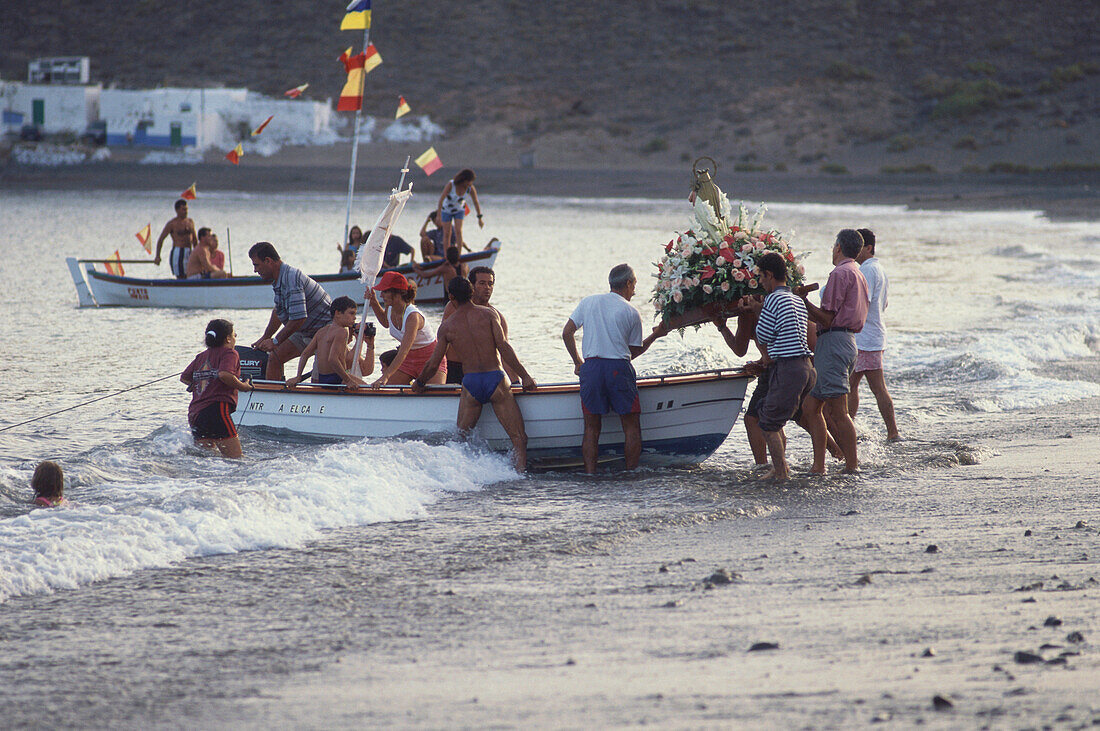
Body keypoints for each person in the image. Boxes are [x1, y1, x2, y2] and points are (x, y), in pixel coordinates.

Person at [412, 277, 538, 471]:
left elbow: (433, 363)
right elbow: (504, 347)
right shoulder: (489, 315)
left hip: (470, 383)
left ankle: (465, 477)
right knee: (519, 439)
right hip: (495, 379)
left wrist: (419, 383)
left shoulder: (446, 327)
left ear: (451, 296)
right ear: (472, 292)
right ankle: (518, 477)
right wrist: (526, 377)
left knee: (460, 440)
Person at [562, 264, 668, 473]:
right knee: (631, 426)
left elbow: (567, 333)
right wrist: (656, 335)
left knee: (591, 428)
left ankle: (591, 474)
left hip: (591, 368)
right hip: (618, 368)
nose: (634, 291)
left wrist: (577, 363)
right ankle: (630, 473)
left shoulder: (589, 302)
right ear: (628, 283)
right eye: (634, 285)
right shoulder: (631, 311)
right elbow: (633, 352)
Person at [800, 229, 869, 474]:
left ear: (838, 247)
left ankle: (852, 465)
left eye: (833, 246)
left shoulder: (840, 273)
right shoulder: (857, 273)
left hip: (834, 341)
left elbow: (827, 318)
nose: (832, 249)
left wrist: (803, 302)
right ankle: (819, 465)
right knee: (810, 407)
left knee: (839, 411)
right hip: (845, 342)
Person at [745, 253, 816, 481]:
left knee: (767, 423)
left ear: (770, 275)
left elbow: (763, 334)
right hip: (807, 368)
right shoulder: (796, 298)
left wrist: (757, 310)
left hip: (789, 368)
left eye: (762, 278)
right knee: (775, 413)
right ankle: (781, 468)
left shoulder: (773, 300)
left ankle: (781, 472)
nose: (761, 283)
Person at [249, 242, 333, 381]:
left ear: (268, 261)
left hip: (326, 332)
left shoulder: (291, 278)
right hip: (306, 331)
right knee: (274, 358)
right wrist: (266, 337)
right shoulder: (279, 279)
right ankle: (274, 398)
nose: (255, 270)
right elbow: (278, 312)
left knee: (318, 380)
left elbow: (299, 318)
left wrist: (275, 341)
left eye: (256, 265)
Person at [849, 228, 900, 440]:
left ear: (868, 248)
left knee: (857, 386)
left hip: (865, 336)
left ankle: (848, 429)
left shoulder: (868, 269)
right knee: (867, 386)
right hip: (874, 334)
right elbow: (884, 303)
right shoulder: (878, 268)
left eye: (859, 246)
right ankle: (891, 432)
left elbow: (861, 300)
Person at [181, 318, 254, 458]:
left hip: (196, 414)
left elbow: (184, 377)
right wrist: (243, 387)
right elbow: (224, 374)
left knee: (207, 460)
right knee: (237, 460)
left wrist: (201, 381)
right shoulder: (230, 353)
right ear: (227, 339)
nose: (235, 338)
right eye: (234, 335)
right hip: (216, 410)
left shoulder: (201, 356)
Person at [367, 270, 447, 387]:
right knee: (383, 389)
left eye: (385, 291)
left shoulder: (413, 317)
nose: (381, 295)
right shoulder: (390, 307)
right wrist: (373, 302)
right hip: (409, 359)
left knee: (434, 395)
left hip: (430, 359)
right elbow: (385, 322)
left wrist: (386, 376)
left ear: (398, 293)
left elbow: (403, 351)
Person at [441, 265, 518, 385]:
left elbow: (505, 353)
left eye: (490, 284)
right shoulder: (453, 307)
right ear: (472, 286)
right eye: (482, 283)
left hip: (483, 372)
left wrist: (516, 382)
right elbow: (442, 343)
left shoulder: (497, 318)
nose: (487, 288)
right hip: (453, 369)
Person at [285, 296, 372, 389]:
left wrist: (298, 376)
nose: (354, 318)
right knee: (369, 390)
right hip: (337, 378)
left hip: (322, 378)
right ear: (337, 313)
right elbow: (333, 359)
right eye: (351, 313)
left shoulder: (321, 331)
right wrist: (348, 380)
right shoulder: (342, 331)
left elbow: (305, 354)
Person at [435, 169, 482, 253]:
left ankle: (458, 254)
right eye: (469, 181)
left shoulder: (470, 188)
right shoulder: (451, 184)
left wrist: (479, 218)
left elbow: (476, 202)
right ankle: (447, 255)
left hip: (459, 210)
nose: (470, 184)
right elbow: (441, 200)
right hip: (446, 210)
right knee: (447, 233)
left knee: (458, 231)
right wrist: (439, 216)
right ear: (464, 180)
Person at [154, 199, 198, 279]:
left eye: (187, 209)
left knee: (191, 274)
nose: (186, 212)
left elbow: (195, 240)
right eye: (183, 209)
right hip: (178, 252)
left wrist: (197, 254)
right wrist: (158, 256)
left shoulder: (190, 222)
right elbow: (161, 239)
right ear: (177, 210)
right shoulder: (172, 223)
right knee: (181, 276)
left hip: (189, 251)